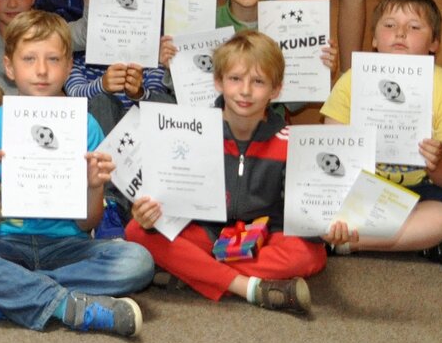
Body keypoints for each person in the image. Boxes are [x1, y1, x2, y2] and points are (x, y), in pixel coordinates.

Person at [0, 11, 152, 336]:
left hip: (69, 246)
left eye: (53, 59)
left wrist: (94, 187)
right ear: (9, 67)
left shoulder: (85, 126)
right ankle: (68, 305)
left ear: (68, 67)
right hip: (5, 245)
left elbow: (88, 225)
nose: (41, 70)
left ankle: (6, 299)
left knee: (137, 261)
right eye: (29, 59)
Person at [127, 32, 323, 314]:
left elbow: (300, 216)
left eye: (258, 82)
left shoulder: (289, 142)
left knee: (310, 254)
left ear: (276, 90)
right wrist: (149, 214)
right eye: (235, 79)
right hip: (207, 231)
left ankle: (194, 272)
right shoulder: (193, 131)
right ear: (218, 82)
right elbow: (169, 200)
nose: (245, 91)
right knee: (137, 231)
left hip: (264, 234)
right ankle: (248, 287)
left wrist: (324, 226)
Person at [320, 0, 442, 267]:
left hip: (424, 192)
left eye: (414, 27)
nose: (400, 33)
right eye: (389, 25)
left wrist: (437, 164)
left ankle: (342, 242)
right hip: (364, 190)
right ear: (374, 38)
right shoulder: (351, 81)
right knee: (300, 198)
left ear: (434, 43)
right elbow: (330, 155)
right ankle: (425, 245)